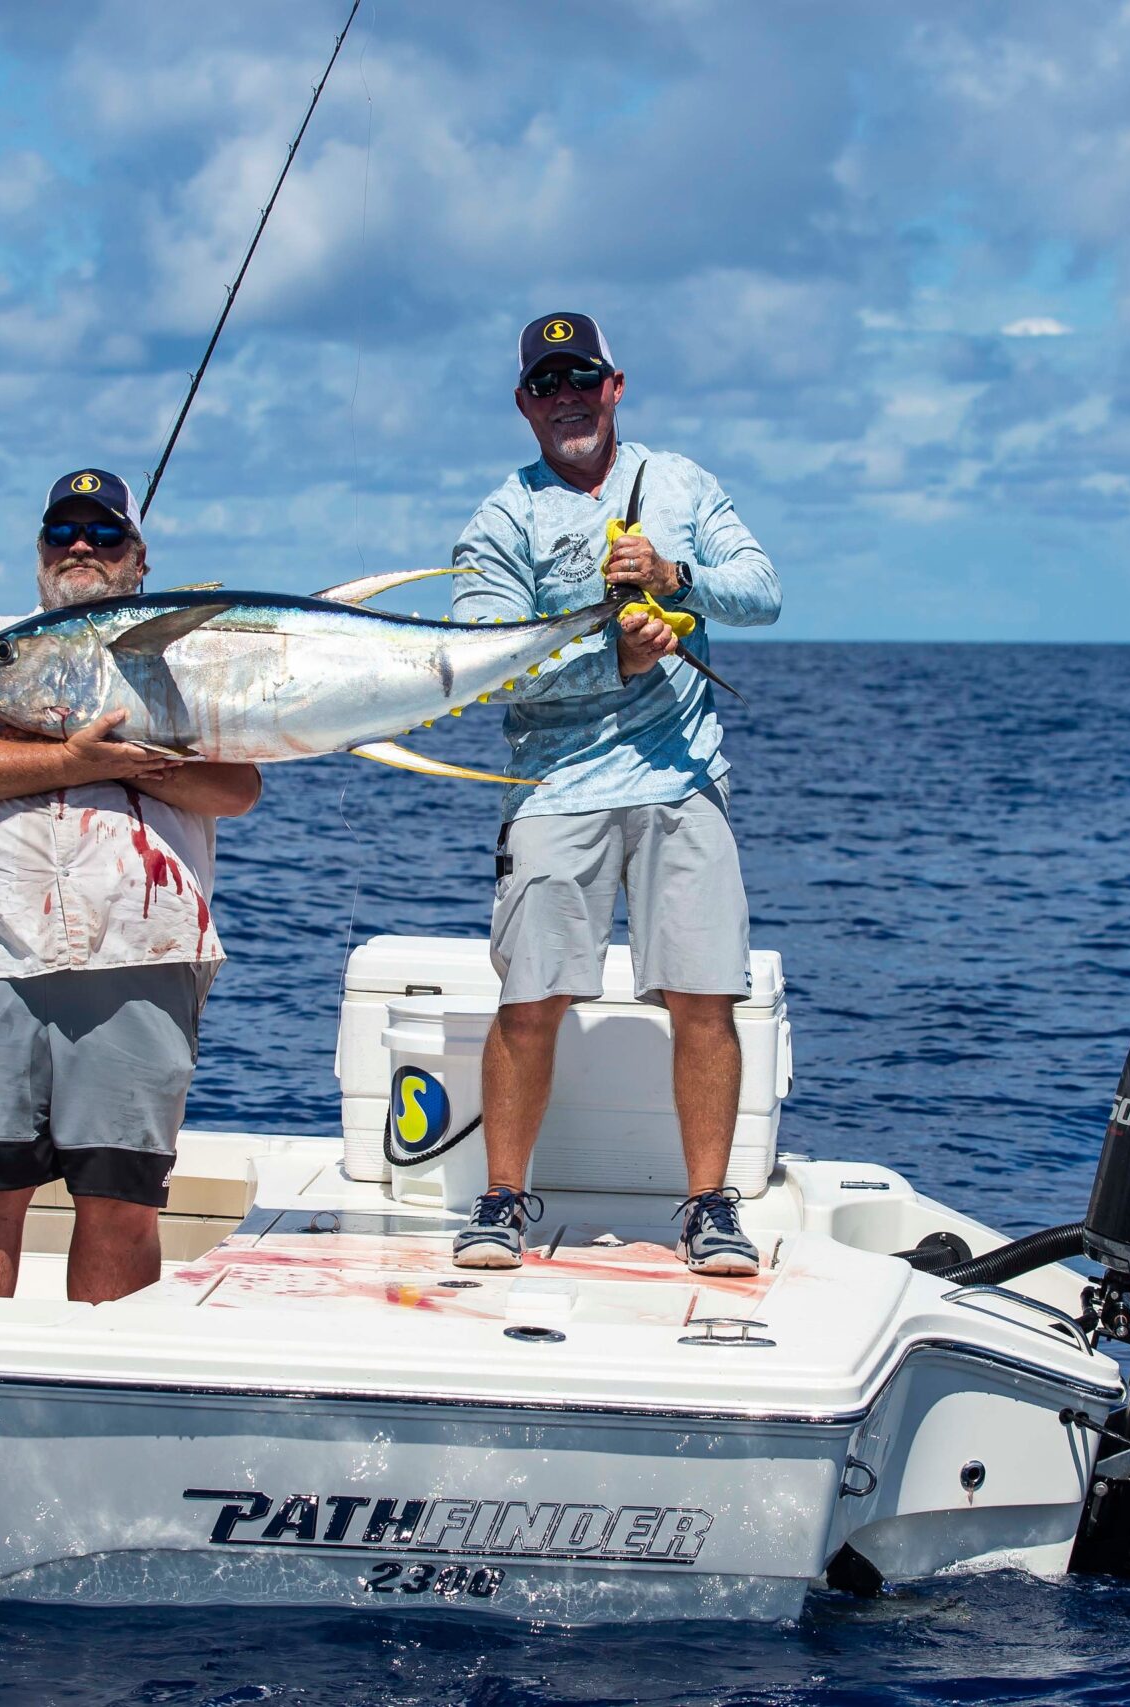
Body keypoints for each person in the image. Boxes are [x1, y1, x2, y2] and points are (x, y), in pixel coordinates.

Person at [447, 312, 781, 1274]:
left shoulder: (683, 484)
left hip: (684, 777)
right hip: (555, 787)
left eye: (581, 379)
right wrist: (615, 657)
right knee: (531, 996)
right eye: (546, 385)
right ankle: (503, 1198)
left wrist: (678, 577)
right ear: (523, 404)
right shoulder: (501, 518)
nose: (567, 399)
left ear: (616, 385)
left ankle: (709, 1206)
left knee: (706, 993)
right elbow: (489, 664)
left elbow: (763, 590)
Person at [0, 468, 261, 1304]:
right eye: (63, 534)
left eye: (104, 534)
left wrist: (131, 760)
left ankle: (105, 1406)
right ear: (39, 553)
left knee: (122, 1204)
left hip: (141, 954)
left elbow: (236, 789)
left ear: (139, 558)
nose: (81, 548)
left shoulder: (177, 655)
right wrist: (68, 761)